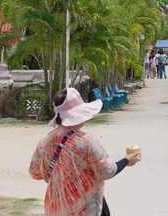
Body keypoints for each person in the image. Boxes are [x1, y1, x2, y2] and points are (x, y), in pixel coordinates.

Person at [29, 88, 141, 216]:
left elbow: (35, 173)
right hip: (85, 209)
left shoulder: (44, 142)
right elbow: (106, 171)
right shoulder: (86, 141)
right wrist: (127, 160)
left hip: (55, 208)